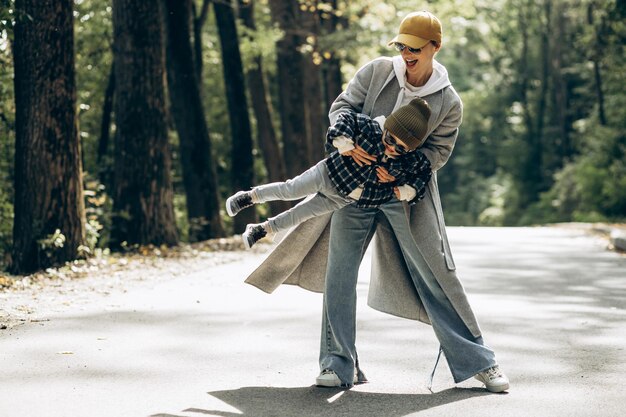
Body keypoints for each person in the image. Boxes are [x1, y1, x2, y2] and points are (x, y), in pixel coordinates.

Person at [245, 10, 510, 393]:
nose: (406, 53)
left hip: (404, 197)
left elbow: (438, 153)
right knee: (339, 273)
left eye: (415, 47)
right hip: (352, 188)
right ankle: (337, 364)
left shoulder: (449, 102)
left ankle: (479, 362)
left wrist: (402, 171)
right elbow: (342, 108)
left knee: (437, 275)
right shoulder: (376, 72)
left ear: (435, 47)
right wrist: (345, 144)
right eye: (402, 45)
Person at [226, 98, 432, 249]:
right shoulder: (370, 128)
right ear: (386, 129)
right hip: (328, 173)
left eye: (401, 148)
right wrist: (345, 144)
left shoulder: (409, 161)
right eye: (391, 140)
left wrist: (405, 189)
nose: (393, 148)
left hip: (343, 198)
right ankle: (249, 197)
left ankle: (262, 229)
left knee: (300, 214)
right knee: (290, 190)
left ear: (410, 150)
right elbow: (344, 119)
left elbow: (424, 172)